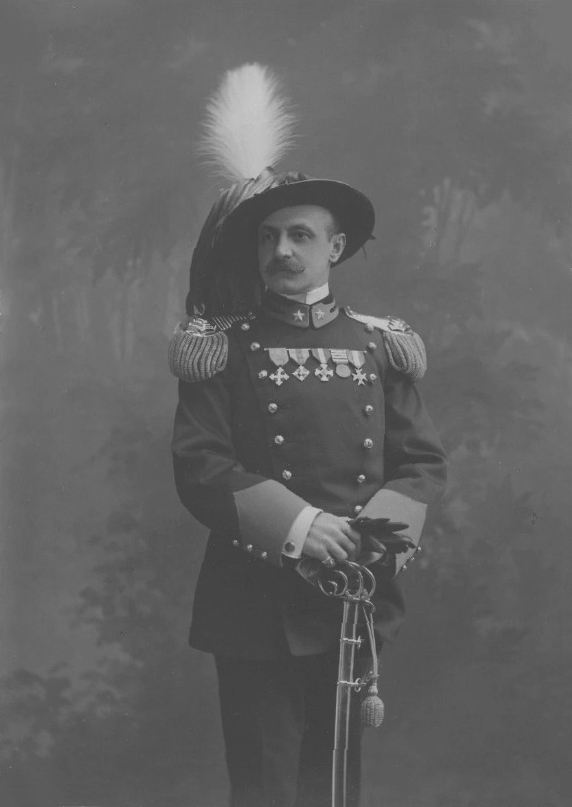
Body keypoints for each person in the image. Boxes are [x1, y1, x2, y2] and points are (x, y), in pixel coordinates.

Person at [169, 65, 447, 807]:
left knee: (334, 784)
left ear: (336, 245)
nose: (282, 251)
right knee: (265, 787)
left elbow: (420, 462)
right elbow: (200, 464)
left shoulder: (380, 345)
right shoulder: (222, 348)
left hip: (353, 595)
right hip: (254, 603)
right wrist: (301, 527)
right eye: (268, 237)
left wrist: (373, 537)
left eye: (300, 235)